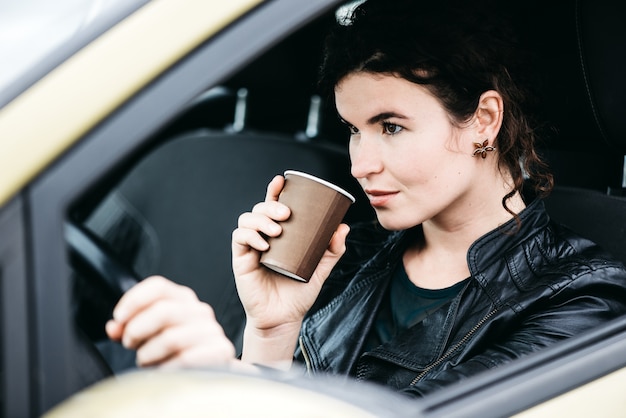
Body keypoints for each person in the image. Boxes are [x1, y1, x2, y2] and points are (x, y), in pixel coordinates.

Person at [105, 0, 626, 397]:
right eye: (353, 129)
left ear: (484, 120)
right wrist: (271, 328)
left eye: (391, 127)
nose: (360, 164)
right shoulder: (348, 253)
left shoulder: (581, 301)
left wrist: (226, 386)